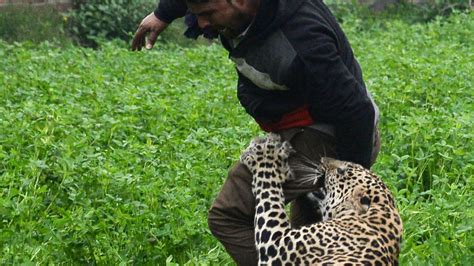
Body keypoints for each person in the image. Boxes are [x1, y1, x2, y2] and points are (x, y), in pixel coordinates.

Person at [132, 0, 381, 264]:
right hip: (304, 121)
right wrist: (163, 13)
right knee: (310, 238)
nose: (201, 24)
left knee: (229, 215)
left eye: (207, 14)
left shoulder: (303, 38)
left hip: (329, 132)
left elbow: (355, 112)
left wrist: (350, 187)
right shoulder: (240, 12)